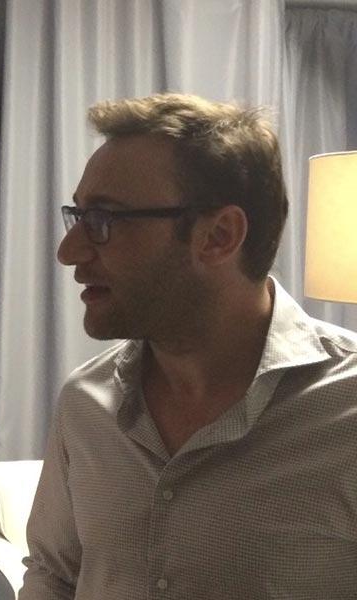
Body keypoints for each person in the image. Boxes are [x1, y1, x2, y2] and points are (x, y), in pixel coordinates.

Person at [19, 93, 357, 599]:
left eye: (104, 220)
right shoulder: (85, 402)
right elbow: (53, 573)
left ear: (219, 235)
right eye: (79, 217)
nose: (69, 252)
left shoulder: (347, 411)